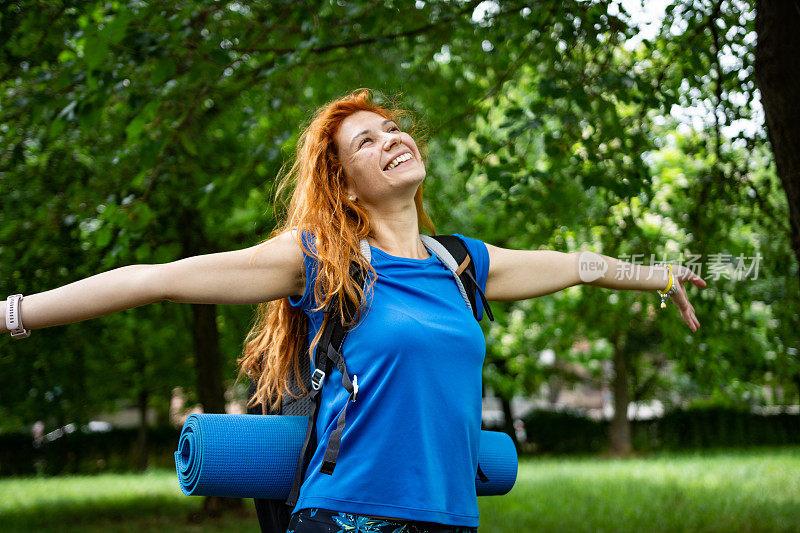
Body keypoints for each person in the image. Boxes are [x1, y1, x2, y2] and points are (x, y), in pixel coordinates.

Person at [1, 88, 706, 532]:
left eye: (392, 128)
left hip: (452, 517)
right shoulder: (322, 261)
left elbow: (573, 266)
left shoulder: (461, 263)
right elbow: (154, 279)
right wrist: (13, 312)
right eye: (365, 141)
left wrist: (657, 274)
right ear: (345, 187)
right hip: (350, 516)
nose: (392, 138)